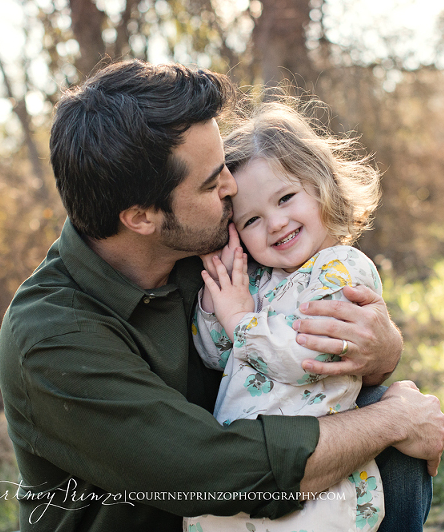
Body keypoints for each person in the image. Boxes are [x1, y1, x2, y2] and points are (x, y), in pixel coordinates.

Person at [0, 59, 444, 532]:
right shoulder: (50, 338)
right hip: (198, 506)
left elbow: (323, 344)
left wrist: (382, 347)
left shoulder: (210, 241)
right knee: (381, 425)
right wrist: (393, 420)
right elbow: (209, 473)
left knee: (382, 428)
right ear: (141, 217)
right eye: (213, 182)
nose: (232, 187)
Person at [185, 100, 390, 531]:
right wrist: (217, 301)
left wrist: (241, 319)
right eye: (253, 219)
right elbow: (217, 353)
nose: (275, 223)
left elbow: (309, 357)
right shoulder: (260, 280)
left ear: (321, 184)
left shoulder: (342, 267)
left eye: (286, 198)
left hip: (317, 479)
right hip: (249, 465)